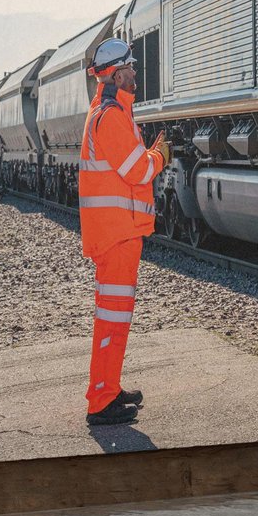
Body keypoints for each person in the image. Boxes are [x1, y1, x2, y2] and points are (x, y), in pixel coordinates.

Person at [79, 35, 163, 429]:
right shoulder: (110, 116)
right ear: (114, 75)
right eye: (129, 67)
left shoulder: (114, 112)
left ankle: (108, 390)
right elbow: (139, 171)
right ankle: (100, 402)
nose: (135, 72)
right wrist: (161, 154)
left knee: (116, 318)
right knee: (112, 319)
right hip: (116, 236)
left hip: (120, 233)